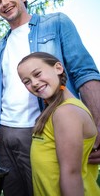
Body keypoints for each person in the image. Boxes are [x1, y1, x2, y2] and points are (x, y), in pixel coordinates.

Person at [0, 0, 100, 196]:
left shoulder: (55, 23)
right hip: (5, 133)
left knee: (50, 188)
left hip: (42, 128)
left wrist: (98, 125)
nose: (4, 3)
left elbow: (85, 71)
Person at [17, 52, 100, 195]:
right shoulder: (53, 112)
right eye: (27, 81)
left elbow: (71, 174)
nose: (34, 83)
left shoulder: (66, 112)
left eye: (37, 74)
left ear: (58, 68)